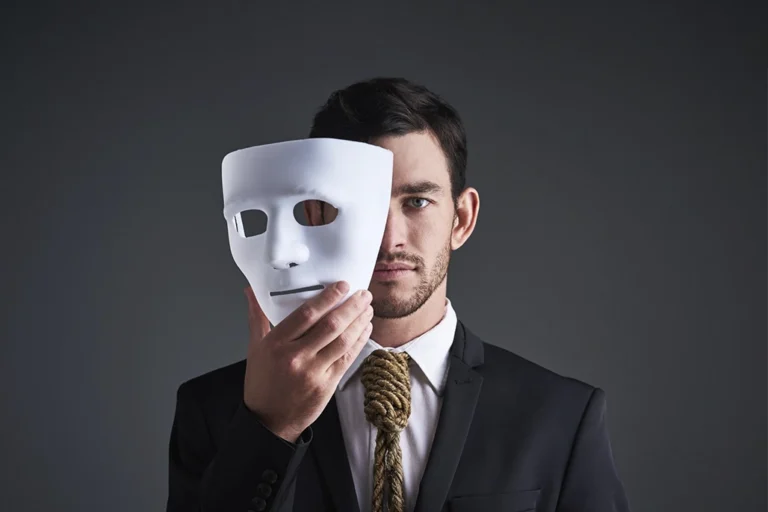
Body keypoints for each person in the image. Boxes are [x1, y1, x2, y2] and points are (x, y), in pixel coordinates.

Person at [167, 77, 631, 512]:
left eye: (417, 202)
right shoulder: (217, 410)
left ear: (462, 219)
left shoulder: (560, 416)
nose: (390, 239)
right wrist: (271, 429)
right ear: (309, 212)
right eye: (353, 208)